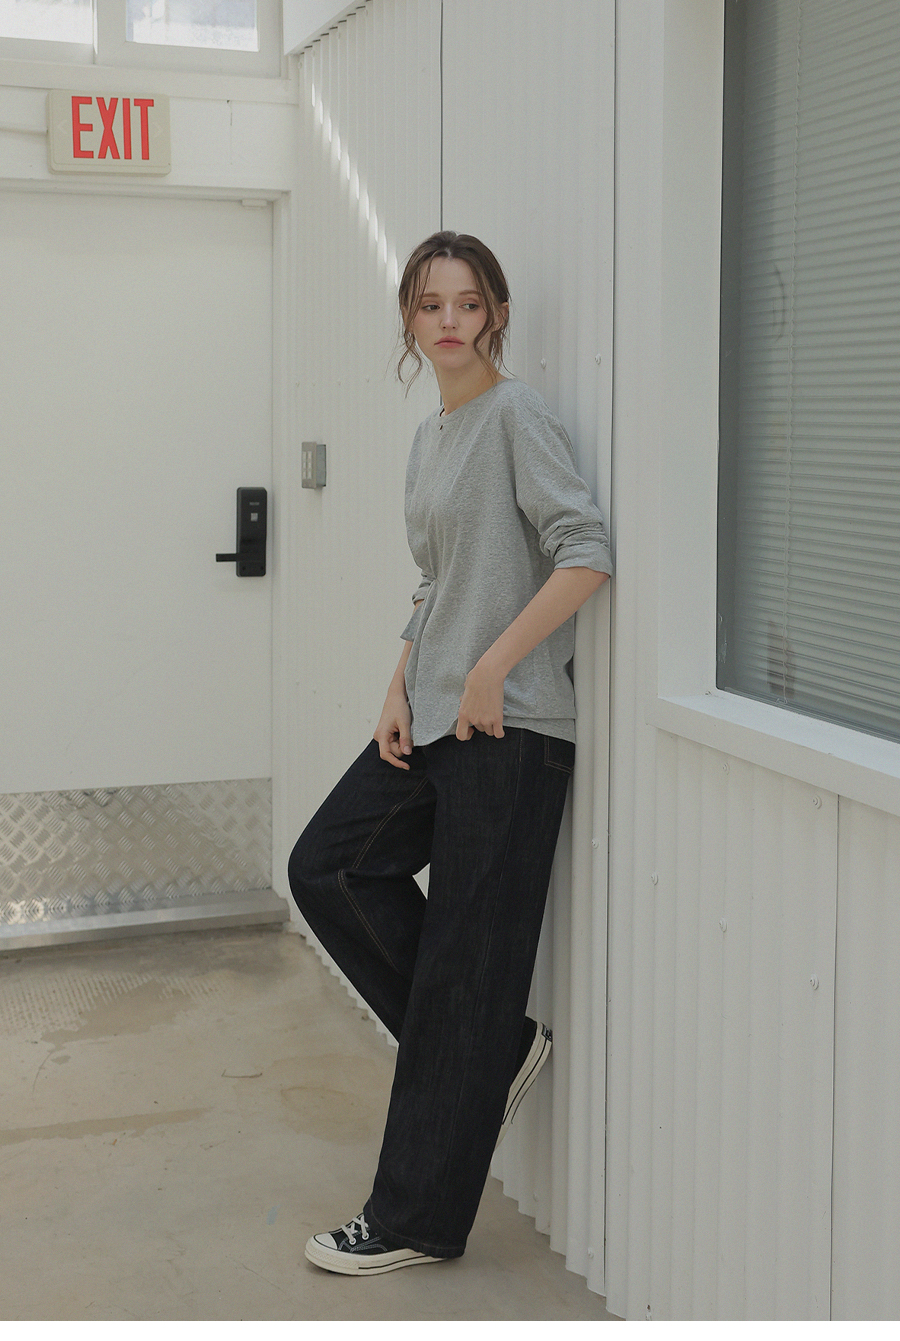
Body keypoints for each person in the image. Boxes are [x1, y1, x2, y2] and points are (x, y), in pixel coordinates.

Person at [289, 231, 613, 1276]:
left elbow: (583, 552)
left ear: (496, 315)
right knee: (328, 867)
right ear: (409, 319)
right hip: (431, 718)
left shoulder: (518, 416)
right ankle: (491, 1045)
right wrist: (400, 683)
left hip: (512, 729)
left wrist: (491, 668)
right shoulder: (432, 436)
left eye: (467, 303)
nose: (448, 321)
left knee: (466, 965)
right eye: (430, 304)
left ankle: (414, 1218)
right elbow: (436, 581)